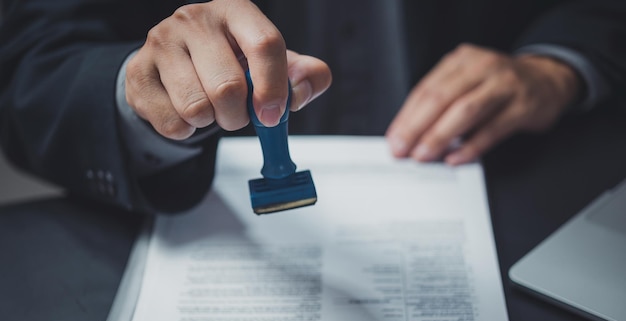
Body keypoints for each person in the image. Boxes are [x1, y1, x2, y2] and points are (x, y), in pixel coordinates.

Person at [1, 0, 625, 214]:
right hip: (177, 215)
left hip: (507, 180)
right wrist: (145, 97)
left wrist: (558, 62)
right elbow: (28, 51)